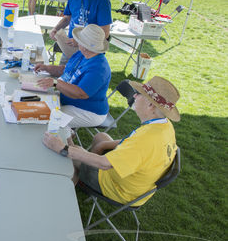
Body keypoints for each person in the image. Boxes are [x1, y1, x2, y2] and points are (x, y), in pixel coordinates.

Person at [43, 76, 180, 207]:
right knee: (101, 137)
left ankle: (59, 200)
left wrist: (63, 148)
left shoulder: (146, 141)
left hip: (119, 189)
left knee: (72, 153)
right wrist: (103, 145)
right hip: (136, 184)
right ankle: (81, 173)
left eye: (139, 94)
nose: (134, 96)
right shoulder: (164, 126)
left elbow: (105, 164)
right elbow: (133, 142)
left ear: (151, 105)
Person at [35, 24, 111, 128]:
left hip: (89, 111)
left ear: (84, 46)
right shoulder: (82, 54)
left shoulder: (99, 68)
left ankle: (64, 140)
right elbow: (65, 70)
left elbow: (81, 93)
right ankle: (67, 137)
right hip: (70, 99)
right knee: (40, 104)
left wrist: (56, 83)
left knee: (50, 116)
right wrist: (46, 68)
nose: (77, 42)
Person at [49, 0, 112, 64]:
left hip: (90, 52)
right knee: (62, 75)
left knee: (81, 78)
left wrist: (80, 42)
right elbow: (67, 18)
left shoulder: (102, 0)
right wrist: (55, 29)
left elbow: (105, 32)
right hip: (71, 48)